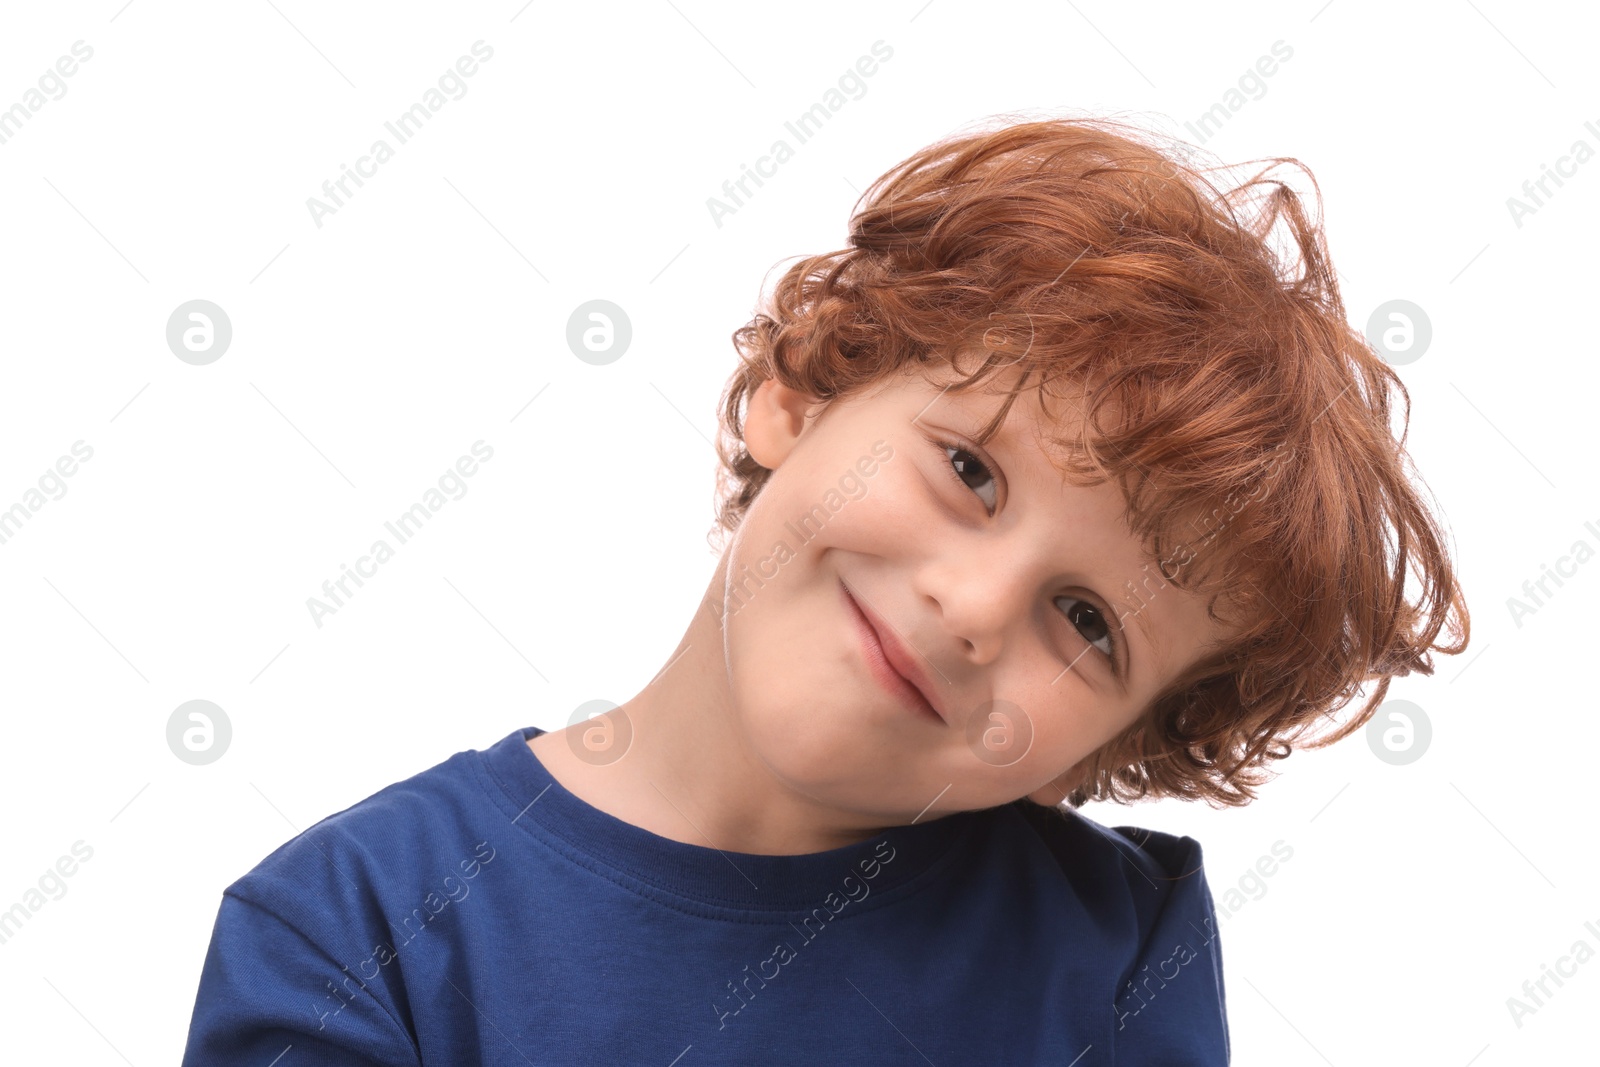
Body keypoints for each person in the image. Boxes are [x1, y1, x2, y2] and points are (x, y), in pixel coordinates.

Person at [180, 112, 1469, 1064]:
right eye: (969, 469)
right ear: (796, 391)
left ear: (1102, 752)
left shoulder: (1116, 957)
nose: (972, 611)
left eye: (1088, 624)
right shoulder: (357, 934)